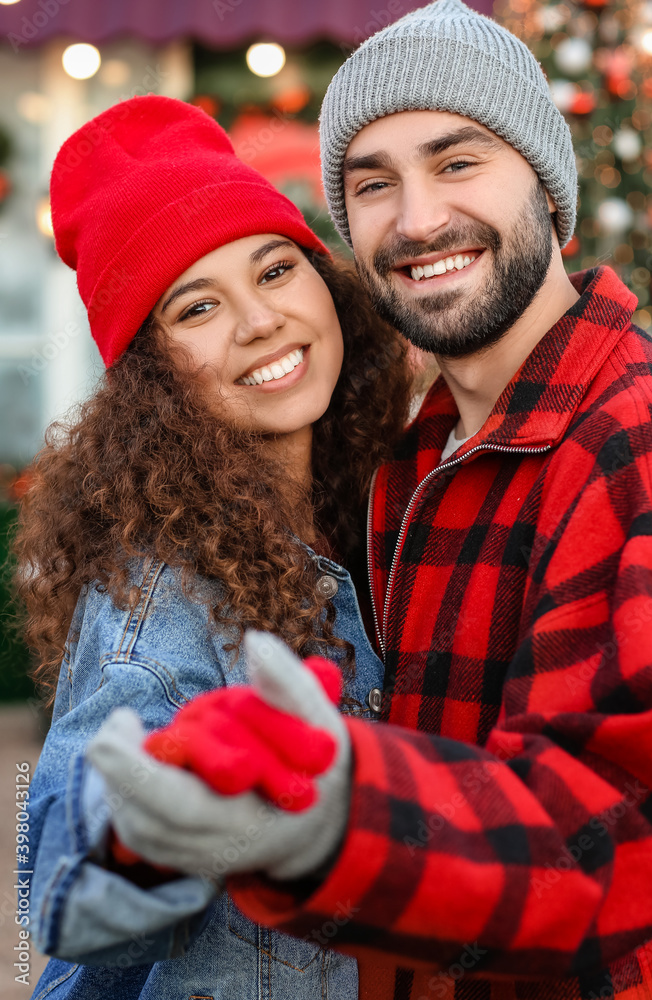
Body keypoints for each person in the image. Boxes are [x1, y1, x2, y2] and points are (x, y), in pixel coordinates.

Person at [84, 2, 652, 1000]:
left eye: (456, 161)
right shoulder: (409, 462)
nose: (416, 219)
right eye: (371, 184)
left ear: (546, 182)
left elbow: (612, 836)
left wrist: (336, 819)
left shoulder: (634, 435)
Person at [15, 94, 413, 999]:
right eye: (197, 307)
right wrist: (163, 832)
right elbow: (66, 896)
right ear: (149, 378)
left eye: (274, 270)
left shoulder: (374, 504)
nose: (261, 320)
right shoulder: (158, 597)